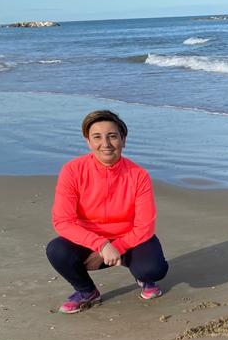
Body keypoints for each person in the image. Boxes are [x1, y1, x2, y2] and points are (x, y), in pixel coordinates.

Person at [46, 110, 169, 313]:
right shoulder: (72, 171)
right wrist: (101, 245)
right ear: (88, 142)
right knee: (57, 250)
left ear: (123, 139)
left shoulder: (139, 175)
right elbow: (63, 221)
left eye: (112, 136)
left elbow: (145, 225)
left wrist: (117, 247)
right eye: (97, 137)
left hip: (130, 238)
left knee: (154, 269)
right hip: (89, 239)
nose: (106, 143)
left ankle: (145, 279)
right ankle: (86, 291)